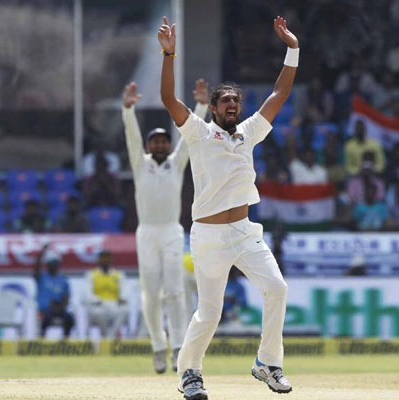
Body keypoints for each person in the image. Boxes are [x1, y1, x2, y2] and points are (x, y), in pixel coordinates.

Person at [159, 15, 294, 398]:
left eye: (236, 100)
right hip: (209, 236)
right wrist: (169, 56)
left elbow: (279, 94)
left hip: (245, 232)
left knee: (277, 288)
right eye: (225, 101)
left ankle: (268, 363)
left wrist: (293, 49)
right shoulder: (200, 133)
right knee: (210, 313)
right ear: (215, 109)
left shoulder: (249, 132)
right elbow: (169, 100)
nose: (232, 104)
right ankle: (190, 373)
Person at [122, 79, 209, 374]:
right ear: (149, 146)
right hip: (146, 233)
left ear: (169, 145)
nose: (160, 144)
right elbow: (132, 139)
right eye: (155, 141)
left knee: (175, 291)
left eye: (163, 141)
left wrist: (201, 105)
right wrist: (127, 110)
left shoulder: (176, 162)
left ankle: (178, 349)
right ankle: (158, 345)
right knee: (150, 294)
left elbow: (190, 138)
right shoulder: (140, 163)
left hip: (172, 231)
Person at [84, 251, 128, 340]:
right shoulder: (91, 274)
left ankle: (110, 335)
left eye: (107, 259)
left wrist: (122, 298)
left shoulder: (119, 274)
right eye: (103, 259)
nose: (105, 261)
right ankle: (105, 335)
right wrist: (96, 300)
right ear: (99, 261)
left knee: (124, 310)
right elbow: (88, 293)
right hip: (99, 304)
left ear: (111, 260)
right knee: (98, 312)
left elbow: (125, 291)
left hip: (114, 304)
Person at [34, 244, 74, 338]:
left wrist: (61, 306)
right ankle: (42, 340)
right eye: (51, 263)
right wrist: (42, 253)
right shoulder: (42, 277)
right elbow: (36, 268)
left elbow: (67, 297)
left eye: (55, 262)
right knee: (45, 319)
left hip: (59, 308)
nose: (53, 265)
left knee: (69, 318)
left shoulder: (63, 280)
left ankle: (65, 341)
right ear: (47, 264)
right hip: (44, 310)